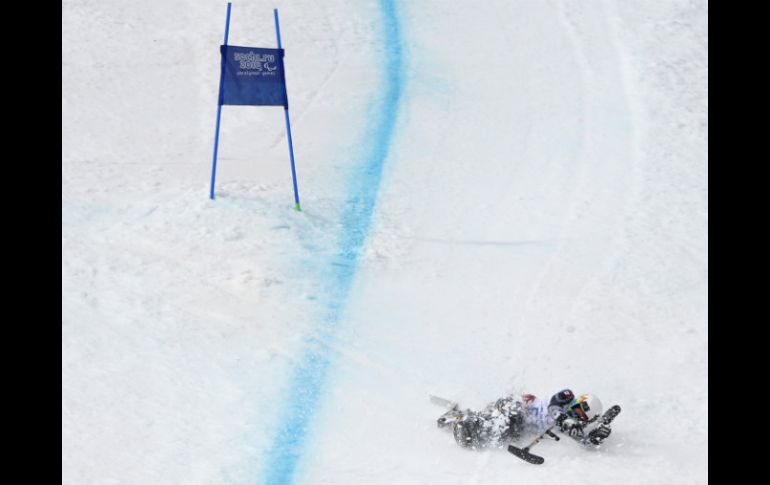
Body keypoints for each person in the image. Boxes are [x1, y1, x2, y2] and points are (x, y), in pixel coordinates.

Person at [437, 388, 617, 449]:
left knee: (508, 434)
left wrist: (590, 440)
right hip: (516, 407)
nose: (579, 418)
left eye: (584, 419)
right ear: (580, 404)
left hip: (520, 424)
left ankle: (464, 417)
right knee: (505, 424)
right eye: (580, 412)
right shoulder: (566, 397)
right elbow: (555, 409)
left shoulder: (571, 425)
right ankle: (465, 426)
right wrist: (569, 423)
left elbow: (575, 434)